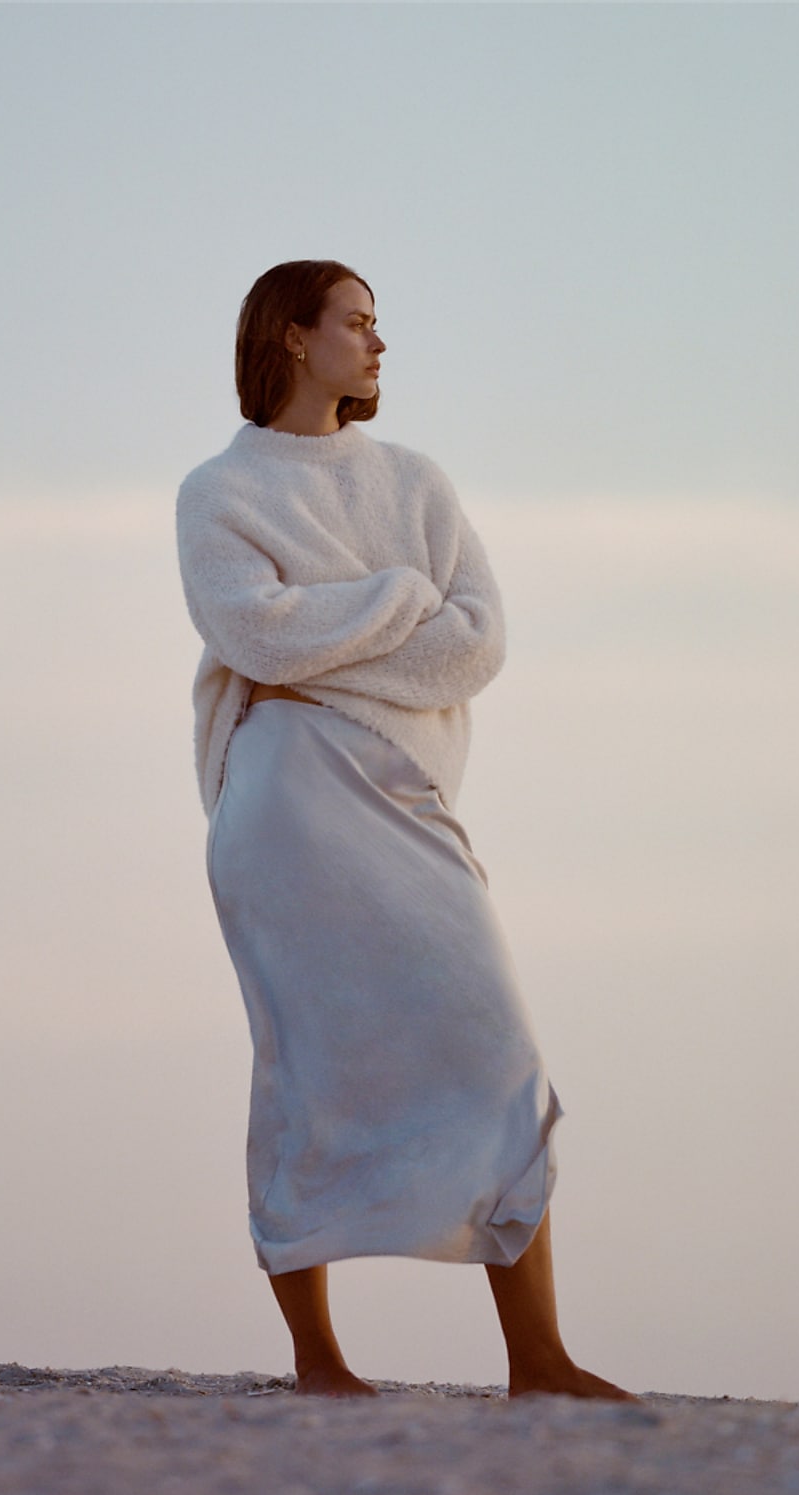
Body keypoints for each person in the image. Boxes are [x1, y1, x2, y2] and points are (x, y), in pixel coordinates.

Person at [176, 260, 634, 1402]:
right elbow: (253, 632)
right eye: (358, 323)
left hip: (405, 793)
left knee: (496, 1048)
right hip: (284, 794)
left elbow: (475, 644)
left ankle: (539, 1357)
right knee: (308, 1059)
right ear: (292, 336)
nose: (380, 345)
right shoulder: (220, 490)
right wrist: (393, 602)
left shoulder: (416, 484)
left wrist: (337, 628)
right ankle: (319, 1360)